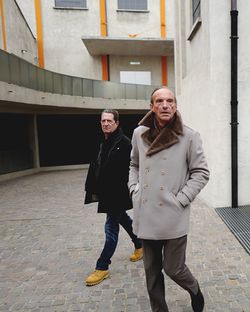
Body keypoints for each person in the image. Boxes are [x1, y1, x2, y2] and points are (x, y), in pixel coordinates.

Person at [128, 87, 209, 312]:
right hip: (146, 213)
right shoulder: (138, 133)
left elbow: (201, 172)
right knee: (152, 272)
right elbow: (134, 164)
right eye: (160, 101)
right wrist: (134, 188)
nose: (165, 105)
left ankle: (194, 289)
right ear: (152, 106)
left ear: (175, 105)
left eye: (170, 101)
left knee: (173, 268)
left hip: (173, 213)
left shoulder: (189, 136)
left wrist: (181, 199)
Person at [84, 109, 143, 286]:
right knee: (123, 219)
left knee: (111, 228)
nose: (106, 124)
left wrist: (132, 188)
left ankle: (102, 266)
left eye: (109, 121)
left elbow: (133, 168)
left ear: (117, 123)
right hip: (107, 193)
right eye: (103, 121)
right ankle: (140, 245)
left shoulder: (124, 143)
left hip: (118, 194)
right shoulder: (104, 141)